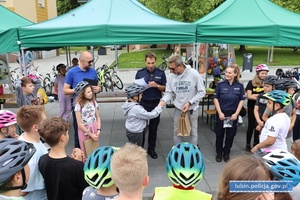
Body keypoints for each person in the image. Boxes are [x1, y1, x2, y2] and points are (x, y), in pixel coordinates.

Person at [38, 117, 88, 200]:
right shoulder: (76, 166)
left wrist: (74, 162)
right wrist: (79, 163)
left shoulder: (42, 160)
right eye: (67, 133)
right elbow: (85, 188)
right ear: (63, 137)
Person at [160, 54, 206, 146]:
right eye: (170, 68)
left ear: (180, 65)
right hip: (179, 108)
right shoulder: (171, 76)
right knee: (177, 131)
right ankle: (178, 151)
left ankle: (193, 151)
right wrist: (163, 100)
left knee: (193, 131)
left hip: (192, 109)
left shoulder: (193, 73)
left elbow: (202, 92)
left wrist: (190, 102)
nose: (171, 71)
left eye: (173, 69)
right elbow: (170, 92)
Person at [64, 51, 101, 148]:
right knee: (79, 131)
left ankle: (92, 151)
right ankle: (79, 153)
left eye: (92, 61)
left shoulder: (93, 71)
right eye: (89, 62)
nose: (91, 63)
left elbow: (98, 84)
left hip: (91, 104)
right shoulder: (72, 72)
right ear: (81, 61)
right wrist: (77, 90)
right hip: (79, 106)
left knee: (93, 127)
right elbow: (65, 90)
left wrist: (98, 89)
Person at [135, 52, 166, 159]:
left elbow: (166, 88)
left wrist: (157, 85)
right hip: (143, 103)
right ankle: (140, 150)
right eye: (148, 63)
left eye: (152, 63)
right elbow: (135, 88)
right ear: (145, 62)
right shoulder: (140, 73)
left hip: (155, 103)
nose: (151, 65)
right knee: (141, 128)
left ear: (155, 61)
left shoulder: (161, 73)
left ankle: (151, 149)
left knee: (153, 129)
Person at [213, 63, 245, 162]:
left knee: (230, 136)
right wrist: (220, 113)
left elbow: (241, 101)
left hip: (233, 115)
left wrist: (236, 114)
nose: (227, 74)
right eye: (226, 72)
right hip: (222, 114)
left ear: (235, 74)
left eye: (230, 73)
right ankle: (219, 153)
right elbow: (215, 99)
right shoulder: (220, 85)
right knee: (219, 135)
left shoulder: (239, 86)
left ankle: (226, 153)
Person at [16, 105, 48, 200]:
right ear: (35, 127)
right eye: (44, 121)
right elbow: (24, 190)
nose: (47, 123)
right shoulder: (34, 154)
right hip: (37, 195)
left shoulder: (22, 137)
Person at [122, 83, 164, 148]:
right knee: (137, 150)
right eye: (141, 95)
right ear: (135, 96)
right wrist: (159, 107)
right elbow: (151, 115)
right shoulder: (136, 108)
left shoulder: (128, 103)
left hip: (132, 130)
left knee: (135, 147)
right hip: (136, 133)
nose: (142, 96)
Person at [263, 78, 297, 152]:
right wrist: (276, 125)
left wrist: (291, 124)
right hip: (276, 136)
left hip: (288, 136)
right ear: (285, 90)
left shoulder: (291, 100)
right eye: (292, 89)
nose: (294, 91)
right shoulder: (274, 102)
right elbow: (264, 117)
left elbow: (294, 114)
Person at [74, 81, 101, 159]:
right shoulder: (79, 105)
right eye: (88, 92)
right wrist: (91, 134)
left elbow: (98, 117)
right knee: (86, 151)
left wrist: (98, 130)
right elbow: (79, 124)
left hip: (94, 126)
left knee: (95, 150)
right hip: (84, 130)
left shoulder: (93, 102)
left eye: (91, 91)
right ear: (82, 94)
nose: (91, 93)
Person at [245, 64, 269, 152]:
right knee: (251, 126)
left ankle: (256, 144)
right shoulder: (251, 83)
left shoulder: (267, 84)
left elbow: (268, 96)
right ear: (258, 73)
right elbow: (248, 96)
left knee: (259, 126)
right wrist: (260, 96)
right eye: (262, 73)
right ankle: (248, 144)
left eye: (265, 73)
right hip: (252, 107)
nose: (264, 75)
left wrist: (255, 95)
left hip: (262, 108)